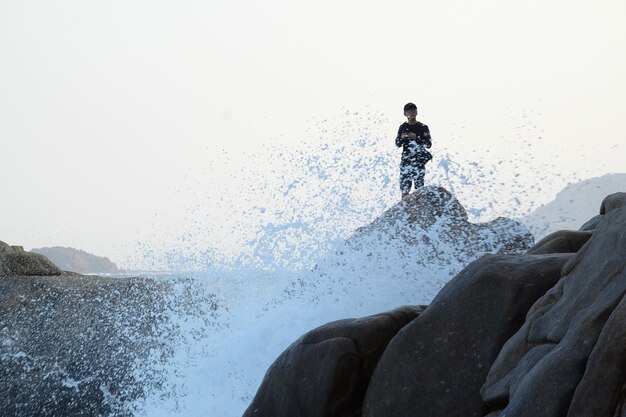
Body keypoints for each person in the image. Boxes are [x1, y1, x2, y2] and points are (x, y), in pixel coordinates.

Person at [395, 102, 432, 197]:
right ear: (404, 113)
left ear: (417, 112)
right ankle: (405, 210)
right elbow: (397, 144)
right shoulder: (402, 127)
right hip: (406, 162)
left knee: (419, 190)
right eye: (409, 110)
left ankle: (419, 209)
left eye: (414, 110)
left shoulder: (423, 127)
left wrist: (416, 138)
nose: (412, 112)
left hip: (418, 162)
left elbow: (428, 144)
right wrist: (402, 138)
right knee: (404, 190)